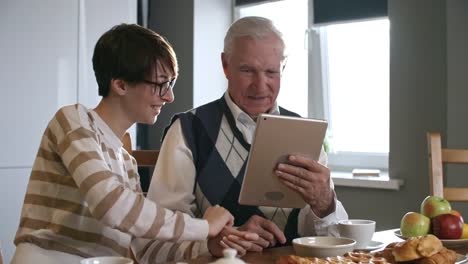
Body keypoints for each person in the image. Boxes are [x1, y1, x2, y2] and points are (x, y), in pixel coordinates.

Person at [10, 23, 249, 264]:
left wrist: (208, 244)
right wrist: (203, 227)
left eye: (171, 84)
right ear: (121, 84)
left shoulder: (126, 162)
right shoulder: (74, 121)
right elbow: (109, 204)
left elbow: (145, 250)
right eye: (161, 84)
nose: (169, 96)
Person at [131, 16, 348, 263]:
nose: (260, 85)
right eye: (247, 70)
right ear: (225, 65)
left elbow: (337, 241)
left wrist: (325, 204)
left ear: (282, 69)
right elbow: (152, 245)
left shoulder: (305, 134)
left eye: (271, 72)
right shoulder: (188, 130)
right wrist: (215, 243)